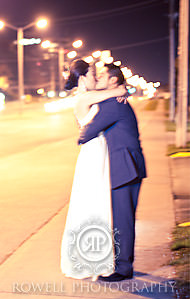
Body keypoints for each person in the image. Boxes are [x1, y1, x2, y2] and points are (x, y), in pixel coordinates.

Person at [78, 63, 146, 282]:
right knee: (122, 217)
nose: (98, 79)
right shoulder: (117, 100)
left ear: (114, 81)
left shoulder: (113, 105)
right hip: (128, 165)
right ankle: (123, 262)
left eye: (103, 76)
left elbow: (86, 134)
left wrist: (81, 130)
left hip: (124, 167)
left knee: (122, 218)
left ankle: (124, 268)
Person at [60, 59, 127, 280]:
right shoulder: (85, 97)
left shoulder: (85, 96)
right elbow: (120, 89)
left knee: (95, 203)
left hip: (97, 150)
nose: (95, 79)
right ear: (82, 78)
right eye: (92, 75)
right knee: (93, 204)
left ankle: (94, 259)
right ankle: (94, 262)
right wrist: (118, 91)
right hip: (92, 153)